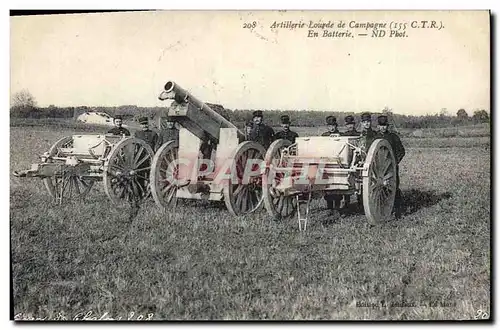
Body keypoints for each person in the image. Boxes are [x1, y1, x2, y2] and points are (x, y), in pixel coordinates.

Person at [376, 114, 406, 219]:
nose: (383, 128)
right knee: (379, 188)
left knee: (393, 187)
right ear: (378, 126)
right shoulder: (375, 137)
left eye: (385, 126)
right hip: (378, 168)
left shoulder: (393, 137)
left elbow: (401, 151)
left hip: (391, 167)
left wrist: (394, 162)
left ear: (387, 126)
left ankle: (397, 210)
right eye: (381, 125)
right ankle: (382, 210)